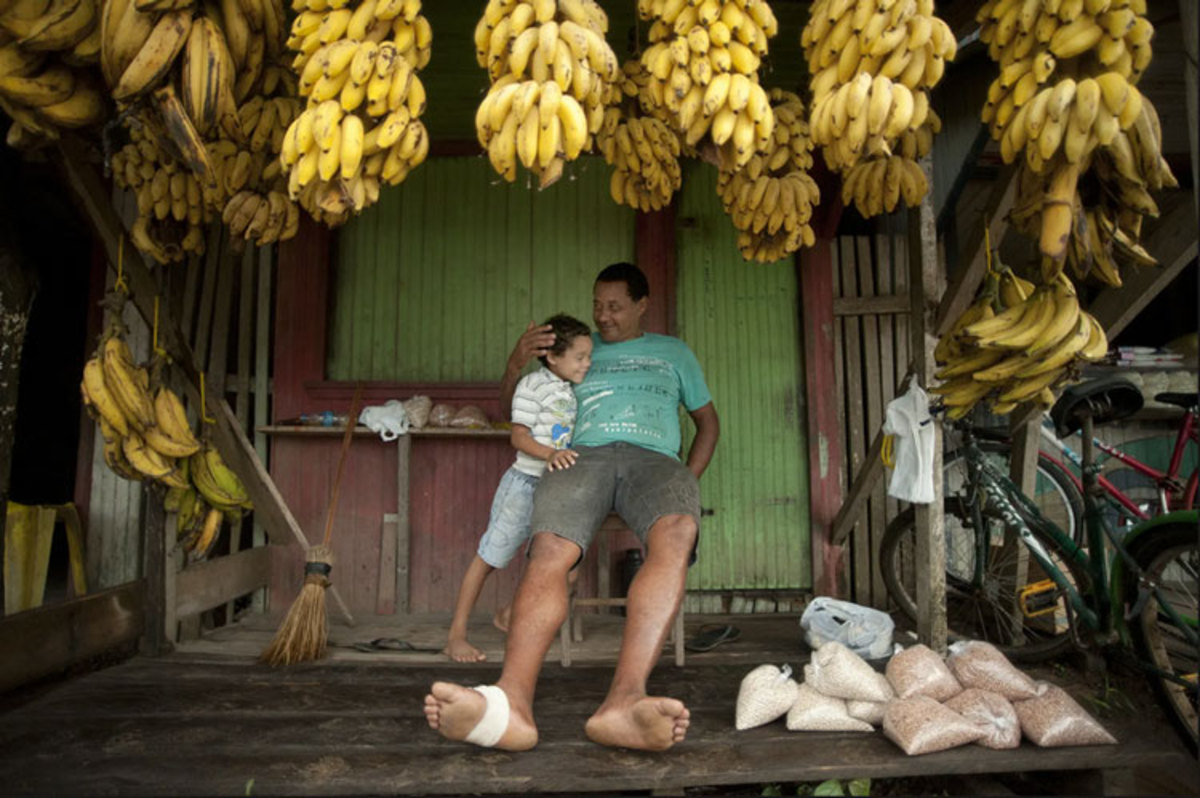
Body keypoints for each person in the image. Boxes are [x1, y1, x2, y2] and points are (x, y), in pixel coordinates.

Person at [424, 262, 720, 752]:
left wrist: (685, 479)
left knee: (677, 531)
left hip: (654, 463)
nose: (603, 317)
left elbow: (708, 424)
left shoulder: (674, 353)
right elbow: (513, 409)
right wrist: (516, 361)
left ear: (643, 305)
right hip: (580, 457)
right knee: (551, 548)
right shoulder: (573, 351)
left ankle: (625, 703)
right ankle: (509, 704)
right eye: (597, 306)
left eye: (615, 307)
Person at [443, 314, 593, 663]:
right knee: (490, 557)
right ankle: (456, 635)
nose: (587, 363)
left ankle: (510, 613)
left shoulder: (570, 388)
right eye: (580, 356)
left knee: (569, 570)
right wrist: (551, 453)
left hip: (557, 489)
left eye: (589, 356)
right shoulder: (531, 386)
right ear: (553, 357)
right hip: (524, 486)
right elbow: (518, 436)